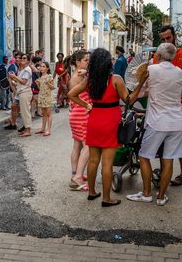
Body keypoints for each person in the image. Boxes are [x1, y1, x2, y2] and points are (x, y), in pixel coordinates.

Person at [68, 48, 146, 207]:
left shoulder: (89, 81)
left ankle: (92, 193)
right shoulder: (115, 79)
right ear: (107, 63)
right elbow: (129, 99)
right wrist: (142, 82)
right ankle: (106, 198)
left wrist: (87, 105)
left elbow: (71, 94)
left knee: (93, 161)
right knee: (107, 164)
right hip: (110, 122)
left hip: (94, 121)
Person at [127, 43, 182, 206]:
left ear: (157, 55)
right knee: (168, 159)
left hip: (156, 121)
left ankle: (146, 193)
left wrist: (144, 82)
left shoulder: (151, 70)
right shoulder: (180, 72)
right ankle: (161, 197)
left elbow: (139, 94)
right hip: (177, 122)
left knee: (144, 156)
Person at [153, 25, 182, 186]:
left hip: (179, 106)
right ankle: (164, 175)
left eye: (168, 38)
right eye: (163, 39)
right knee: (165, 146)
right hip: (162, 107)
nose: (165, 42)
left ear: (175, 36)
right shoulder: (158, 56)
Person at [68, 50, 91, 190]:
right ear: (78, 62)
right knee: (88, 147)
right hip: (83, 113)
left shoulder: (77, 75)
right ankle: (78, 177)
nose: (88, 62)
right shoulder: (79, 77)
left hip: (76, 114)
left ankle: (75, 173)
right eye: (86, 60)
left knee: (77, 146)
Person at [9, 53, 33, 137]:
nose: (22, 59)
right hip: (22, 92)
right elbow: (22, 82)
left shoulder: (27, 69)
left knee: (25, 112)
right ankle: (26, 129)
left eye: (24, 58)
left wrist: (15, 77)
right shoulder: (23, 69)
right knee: (23, 111)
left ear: (28, 60)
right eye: (21, 58)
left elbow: (24, 81)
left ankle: (28, 129)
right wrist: (16, 83)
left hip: (25, 92)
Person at [34, 62, 55, 136]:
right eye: (41, 66)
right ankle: (43, 128)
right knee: (44, 113)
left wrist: (48, 82)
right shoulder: (40, 77)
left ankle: (48, 129)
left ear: (47, 68)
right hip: (41, 96)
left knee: (49, 113)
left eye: (43, 66)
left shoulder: (49, 76)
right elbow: (41, 88)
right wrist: (38, 84)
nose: (42, 68)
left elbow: (52, 87)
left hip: (47, 97)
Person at [4, 52, 22, 130]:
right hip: (14, 89)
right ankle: (12, 121)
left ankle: (12, 120)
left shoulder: (20, 67)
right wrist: (14, 90)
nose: (18, 59)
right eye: (16, 57)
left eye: (19, 58)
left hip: (20, 89)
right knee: (15, 106)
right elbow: (10, 79)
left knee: (18, 107)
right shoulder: (13, 66)